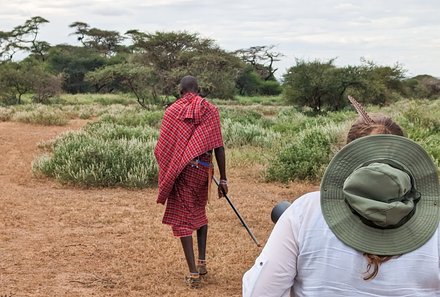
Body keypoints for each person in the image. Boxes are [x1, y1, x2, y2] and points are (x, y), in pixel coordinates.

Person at [242, 99, 440, 296]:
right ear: (404, 161)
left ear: (345, 157)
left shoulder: (306, 211)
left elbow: (260, 292)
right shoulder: (436, 223)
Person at [154, 75, 228, 288]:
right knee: (199, 211)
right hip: (203, 170)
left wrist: (172, 165)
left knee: (182, 218)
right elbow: (219, 147)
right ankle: (202, 263)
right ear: (199, 89)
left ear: (180, 91)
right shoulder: (211, 110)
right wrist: (223, 179)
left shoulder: (172, 111)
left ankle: (193, 273)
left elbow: (162, 149)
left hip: (182, 171)